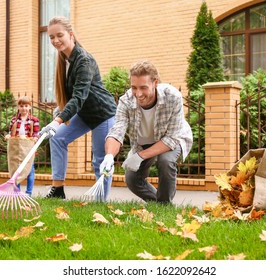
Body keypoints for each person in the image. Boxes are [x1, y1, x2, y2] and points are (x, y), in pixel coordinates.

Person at [39, 16, 116, 199]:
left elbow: (79, 96)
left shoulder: (83, 60)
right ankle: (58, 190)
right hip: (84, 113)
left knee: (99, 160)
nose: (55, 40)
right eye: (51, 37)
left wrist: (57, 121)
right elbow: (70, 95)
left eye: (59, 35)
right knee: (57, 138)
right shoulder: (64, 60)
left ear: (71, 34)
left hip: (102, 114)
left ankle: (101, 202)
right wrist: (60, 111)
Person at [100, 60, 193, 203]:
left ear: (155, 82)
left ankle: (163, 206)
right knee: (132, 179)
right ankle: (162, 206)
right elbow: (117, 131)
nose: (138, 94)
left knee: (165, 161)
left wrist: (140, 156)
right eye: (134, 87)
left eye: (143, 87)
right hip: (145, 142)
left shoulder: (173, 97)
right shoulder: (126, 102)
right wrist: (109, 157)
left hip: (172, 139)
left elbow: (172, 139)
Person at [7, 95, 40, 196]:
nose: (24, 108)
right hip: (17, 148)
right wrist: (8, 135)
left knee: (30, 169)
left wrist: (34, 138)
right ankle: (17, 192)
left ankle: (28, 193)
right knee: (16, 169)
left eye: (26, 106)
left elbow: (36, 133)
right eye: (21, 106)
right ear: (18, 107)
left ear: (30, 107)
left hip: (28, 147)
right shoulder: (14, 120)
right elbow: (10, 132)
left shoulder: (34, 120)